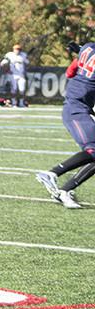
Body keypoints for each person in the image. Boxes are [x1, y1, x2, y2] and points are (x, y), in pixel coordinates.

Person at [36, 40, 95, 208]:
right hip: (76, 109)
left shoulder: (88, 46)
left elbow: (70, 73)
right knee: (93, 150)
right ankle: (52, 173)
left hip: (80, 107)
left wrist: (81, 53)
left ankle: (65, 191)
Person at [3, 43, 29, 108]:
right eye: (16, 49)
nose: (17, 50)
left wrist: (25, 71)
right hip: (13, 75)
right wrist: (7, 70)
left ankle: (21, 103)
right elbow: (3, 63)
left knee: (22, 90)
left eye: (19, 49)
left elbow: (27, 63)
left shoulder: (23, 55)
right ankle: (14, 103)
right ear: (13, 49)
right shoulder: (10, 55)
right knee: (13, 90)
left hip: (21, 75)